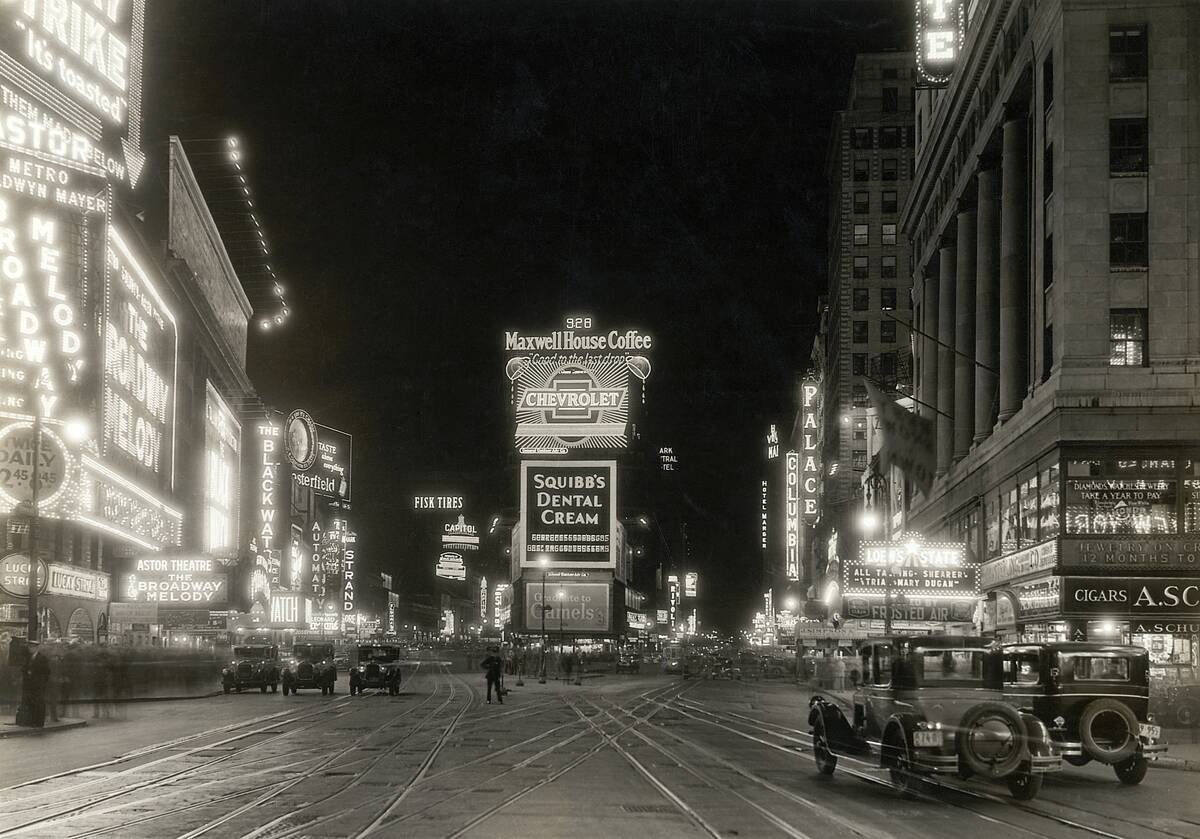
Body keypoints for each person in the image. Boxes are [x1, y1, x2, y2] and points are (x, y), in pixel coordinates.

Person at [23, 640, 51, 727]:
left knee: (39, 702)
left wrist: (42, 682)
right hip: (30, 684)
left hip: (39, 684)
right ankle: (33, 721)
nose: (30, 649)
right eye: (29, 647)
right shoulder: (29, 657)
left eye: (31, 647)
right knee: (32, 702)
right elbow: (24, 668)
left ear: (36, 648)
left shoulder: (42, 658)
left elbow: (47, 671)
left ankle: (39, 722)